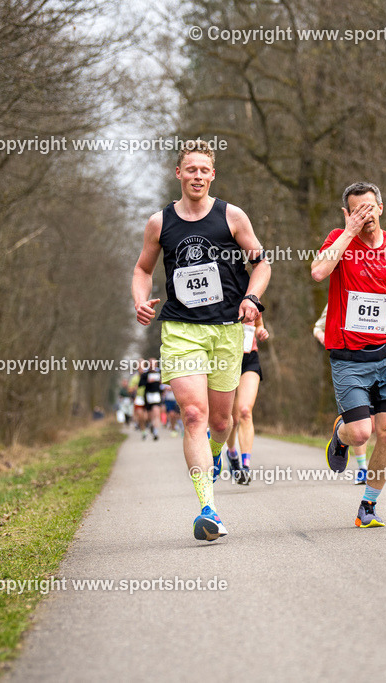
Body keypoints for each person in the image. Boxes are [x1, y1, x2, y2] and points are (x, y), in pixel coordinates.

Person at [132, 139, 270, 542]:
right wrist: (140, 301)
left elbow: (260, 263)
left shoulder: (232, 216)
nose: (196, 176)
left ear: (212, 175)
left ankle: (214, 456)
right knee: (194, 414)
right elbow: (142, 269)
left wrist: (251, 296)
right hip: (180, 329)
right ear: (179, 174)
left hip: (226, 329)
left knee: (222, 420)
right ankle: (207, 509)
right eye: (189, 169)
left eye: (203, 170)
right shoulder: (160, 223)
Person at [310, 181, 386, 527]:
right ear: (348, 213)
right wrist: (347, 233)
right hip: (349, 356)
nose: (366, 215)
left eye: (370, 207)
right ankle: (341, 434)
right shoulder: (339, 239)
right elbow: (318, 272)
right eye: (357, 210)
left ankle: (368, 506)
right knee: (361, 433)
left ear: (381, 207)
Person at [313, 304, 370, 484]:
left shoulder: (380, 293)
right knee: (361, 420)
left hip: (380, 361)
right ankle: (362, 469)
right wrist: (325, 338)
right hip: (350, 366)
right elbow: (317, 327)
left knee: (375, 425)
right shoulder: (338, 299)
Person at [224, 314, 269, 485]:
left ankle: (245, 466)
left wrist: (261, 331)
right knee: (232, 419)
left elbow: (258, 323)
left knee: (245, 411)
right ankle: (231, 453)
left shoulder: (253, 296)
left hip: (249, 358)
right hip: (226, 361)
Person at [140, 358, 164, 441]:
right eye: (151, 364)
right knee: (149, 416)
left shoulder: (160, 373)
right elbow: (140, 384)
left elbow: (164, 385)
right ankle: (151, 425)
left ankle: (155, 432)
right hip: (148, 396)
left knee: (156, 413)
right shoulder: (145, 374)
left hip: (157, 395)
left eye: (154, 364)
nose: (152, 365)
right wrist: (148, 381)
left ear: (156, 365)